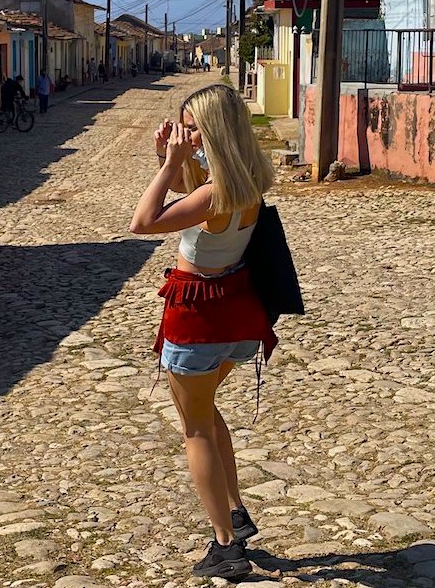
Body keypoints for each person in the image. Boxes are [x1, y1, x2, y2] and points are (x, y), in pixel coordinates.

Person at [129, 84, 277, 579]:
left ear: (213, 130)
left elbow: (144, 222)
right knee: (208, 415)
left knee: (195, 429)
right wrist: (169, 158)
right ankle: (235, 510)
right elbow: (193, 200)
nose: (184, 132)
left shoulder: (211, 195)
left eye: (192, 126)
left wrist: (167, 165)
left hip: (197, 319)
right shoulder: (246, 181)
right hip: (237, 317)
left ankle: (226, 545)